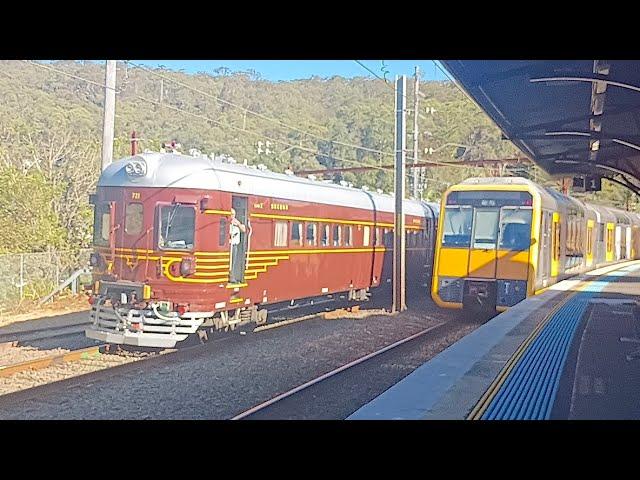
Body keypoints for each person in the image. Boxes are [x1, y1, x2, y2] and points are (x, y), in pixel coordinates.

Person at [229, 208, 247, 283]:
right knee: (229, 262)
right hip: (229, 245)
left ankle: (232, 277)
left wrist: (238, 224)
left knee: (233, 262)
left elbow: (244, 230)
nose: (232, 216)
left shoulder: (237, 222)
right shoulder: (227, 222)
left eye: (233, 214)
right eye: (231, 214)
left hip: (235, 245)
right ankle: (229, 277)